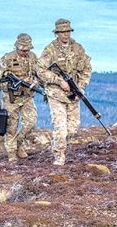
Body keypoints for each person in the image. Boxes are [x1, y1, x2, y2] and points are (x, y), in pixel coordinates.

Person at [37, 19, 92, 166]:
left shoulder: (78, 48)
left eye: (68, 31)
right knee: (60, 128)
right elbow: (40, 70)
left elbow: (87, 68)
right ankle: (59, 156)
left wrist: (81, 86)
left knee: (73, 129)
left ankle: (59, 146)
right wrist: (59, 81)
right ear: (57, 34)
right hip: (56, 93)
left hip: (74, 94)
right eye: (62, 32)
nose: (66, 34)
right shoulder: (50, 50)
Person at [0, 34, 40, 161]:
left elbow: (39, 74)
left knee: (31, 122)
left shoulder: (33, 58)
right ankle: (11, 153)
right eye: (23, 50)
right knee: (11, 126)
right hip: (11, 98)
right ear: (17, 47)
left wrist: (37, 83)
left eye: (27, 50)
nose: (25, 52)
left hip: (27, 97)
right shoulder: (7, 59)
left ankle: (18, 144)